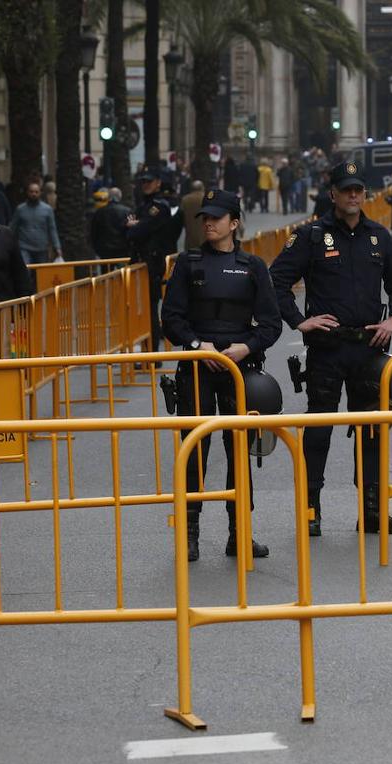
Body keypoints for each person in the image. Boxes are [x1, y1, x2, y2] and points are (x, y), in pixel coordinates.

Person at [269, 161, 392, 537]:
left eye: (358, 189)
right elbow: (276, 282)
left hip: (368, 349)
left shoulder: (378, 237)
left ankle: (371, 512)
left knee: (371, 431)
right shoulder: (311, 237)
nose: (353, 196)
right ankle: (310, 509)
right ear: (332, 193)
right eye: (345, 189)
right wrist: (300, 321)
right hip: (326, 350)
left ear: (365, 193)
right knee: (319, 431)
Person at [161, 189, 282, 561]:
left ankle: (240, 533)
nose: (209, 224)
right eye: (204, 219)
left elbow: (271, 323)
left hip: (239, 369)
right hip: (198, 368)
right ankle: (191, 535)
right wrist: (199, 345)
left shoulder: (253, 266)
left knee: (239, 453)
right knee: (195, 450)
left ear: (235, 222)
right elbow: (171, 319)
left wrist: (245, 347)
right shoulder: (187, 262)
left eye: (216, 218)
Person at [127, 165, 175, 351]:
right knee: (143, 309)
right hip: (142, 262)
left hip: (152, 263)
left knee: (150, 308)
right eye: (143, 181)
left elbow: (139, 231)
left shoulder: (158, 206)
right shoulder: (145, 205)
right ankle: (148, 350)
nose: (145, 185)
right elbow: (129, 228)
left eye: (149, 181)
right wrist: (134, 226)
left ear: (158, 183)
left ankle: (152, 352)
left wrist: (135, 226)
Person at [12, 180, 62, 264]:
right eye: (31, 192)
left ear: (40, 193)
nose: (34, 194)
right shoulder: (20, 209)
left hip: (42, 248)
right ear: (27, 192)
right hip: (24, 247)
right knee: (25, 271)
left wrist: (57, 247)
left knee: (41, 275)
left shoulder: (47, 209)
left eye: (36, 192)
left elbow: (52, 229)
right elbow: (13, 227)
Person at [89, 187, 131, 261]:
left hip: (105, 251)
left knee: (107, 271)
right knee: (123, 271)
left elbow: (94, 232)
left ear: (108, 197)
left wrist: (97, 248)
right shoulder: (126, 211)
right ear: (120, 197)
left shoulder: (100, 212)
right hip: (122, 250)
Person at [180, 180, 206, 251]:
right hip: (205, 236)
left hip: (190, 235)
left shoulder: (185, 199)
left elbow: (181, 216)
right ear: (202, 188)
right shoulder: (206, 199)